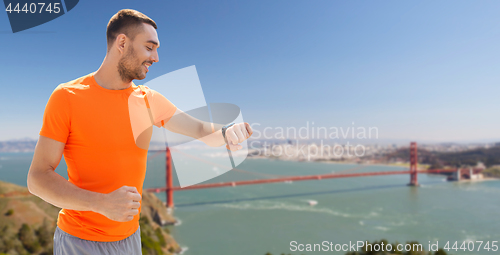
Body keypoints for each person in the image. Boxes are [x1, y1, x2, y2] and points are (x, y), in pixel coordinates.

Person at [26, 9, 252, 255]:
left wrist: (226, 132)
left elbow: (198, 128)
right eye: (149, 47)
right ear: (122, 43)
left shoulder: (148, 100)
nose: (156, 57)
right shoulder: (67, 97)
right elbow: (37, 178)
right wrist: (100, 204)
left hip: (131, 239)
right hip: (79, 243)